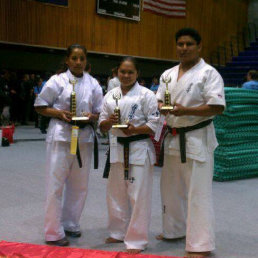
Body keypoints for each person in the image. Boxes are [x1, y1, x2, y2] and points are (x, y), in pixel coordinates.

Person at [156, 28, 225, 258]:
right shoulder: (168, 74)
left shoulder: (209, 73)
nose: (183, 48)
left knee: (198, 193)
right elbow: (159, 100)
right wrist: (160, 107)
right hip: (173, 137)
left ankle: (200, 245)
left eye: (189, 44)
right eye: (180, 44)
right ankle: (173, 230)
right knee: (170, 189)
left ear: (199, 46)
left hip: (197, 137)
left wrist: (185, 110)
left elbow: (216, 107)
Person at [34, 44, 103, 246]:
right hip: (62, 136)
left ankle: (71, 223)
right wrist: (58, 113)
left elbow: (99, 110)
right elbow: (40, 105)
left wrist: (93, 116)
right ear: (67, 60)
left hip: (83, 138)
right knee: (55, 184)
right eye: (74, 58)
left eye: (82, 58)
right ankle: (53, 232)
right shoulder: (57, 80)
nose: (78, 62)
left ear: (86, 60)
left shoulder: (93, 83)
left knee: (79, 185)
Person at [99, 57, 159, 254]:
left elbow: (154, 125)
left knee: (138, 196)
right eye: (122, 72)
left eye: (130, 72)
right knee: (115, 194)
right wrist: (109, 121)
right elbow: (101, 125)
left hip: (139, 147)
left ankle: (136, 240)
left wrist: (135, 130)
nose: (125, 75)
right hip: (117, 148)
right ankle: (117, 232)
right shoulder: (109, 95)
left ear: (137, 74)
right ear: (117, 72)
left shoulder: (146, 95)